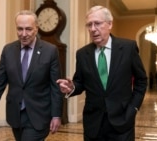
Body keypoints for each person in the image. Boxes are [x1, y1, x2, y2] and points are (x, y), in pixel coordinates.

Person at [56, 5, 147, 141]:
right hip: (93, 124)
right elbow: (80, 82)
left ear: (109, 24)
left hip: (122, 120)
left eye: (97, 23)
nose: (93, 29)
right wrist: (72, 87)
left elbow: (141, 80)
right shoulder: (82, 54)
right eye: (89, 25)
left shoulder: (128, 48)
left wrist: (133, 108)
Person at [0, 10, 63, 141]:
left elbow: (55, 87)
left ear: (36, 28)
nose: (23, 34)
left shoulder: (50, 51)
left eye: (28, 29)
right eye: (20, 29)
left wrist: (56, 115)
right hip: (15, 115)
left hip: (39, 115)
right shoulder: (8, 50)